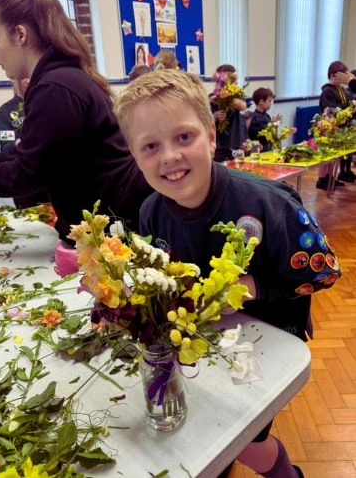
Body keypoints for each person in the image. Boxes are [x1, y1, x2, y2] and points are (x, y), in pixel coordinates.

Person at [114, 69, 342, 478]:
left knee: (245, 436)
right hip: (200, 347)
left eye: (184, 137)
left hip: (266, 343)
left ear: (212, 136)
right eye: (150, 146)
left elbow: (326, 272)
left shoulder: (269, 204)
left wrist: (253, 285)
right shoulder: (150, 213)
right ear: (135, 156)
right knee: (201, 427)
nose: (169, 156)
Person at [0, 0, 151, 243]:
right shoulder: (59, 79)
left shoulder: (55, 87)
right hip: (105, 225)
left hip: (115, 230)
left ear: (20, 34)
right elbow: (37, 157)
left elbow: (30, 172)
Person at [0, 78, 49, 208]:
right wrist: (21, 142)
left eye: (30, 75)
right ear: (14, 79)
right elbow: (6, 149)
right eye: (23, 76)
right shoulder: (6, 111)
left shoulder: (47, 103)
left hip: (51, 179)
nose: (28, 80)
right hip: (25, 184)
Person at [316, 61, 355, 189]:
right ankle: (322, 179)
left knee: (334, 156)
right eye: (341, 76)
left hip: (340, 127)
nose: (344, 79)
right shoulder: (327, 91)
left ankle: (331, 177)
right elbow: (330, 108)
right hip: (328, 127)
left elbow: (347, 103)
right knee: (326, 155)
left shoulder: (341, 89)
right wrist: (350, 105)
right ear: (333, 75)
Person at [209, 64, 248, 162]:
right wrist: (214, 116)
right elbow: (203, 116)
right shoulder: (211, 96)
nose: (220, 83)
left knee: (237, 168)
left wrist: (227, 96)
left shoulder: (237, 94)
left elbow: (243, 106)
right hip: (217, 142)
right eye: (219, 80)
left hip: (234, 140)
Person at [248, 87, 282, 152]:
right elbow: (262, 135)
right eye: (269, 101)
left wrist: (274, 125)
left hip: (268, 149)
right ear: (261, 102)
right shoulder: (255, 118)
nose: (270, 103)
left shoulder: (266, 115)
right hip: (259, 151)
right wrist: (272, 125)